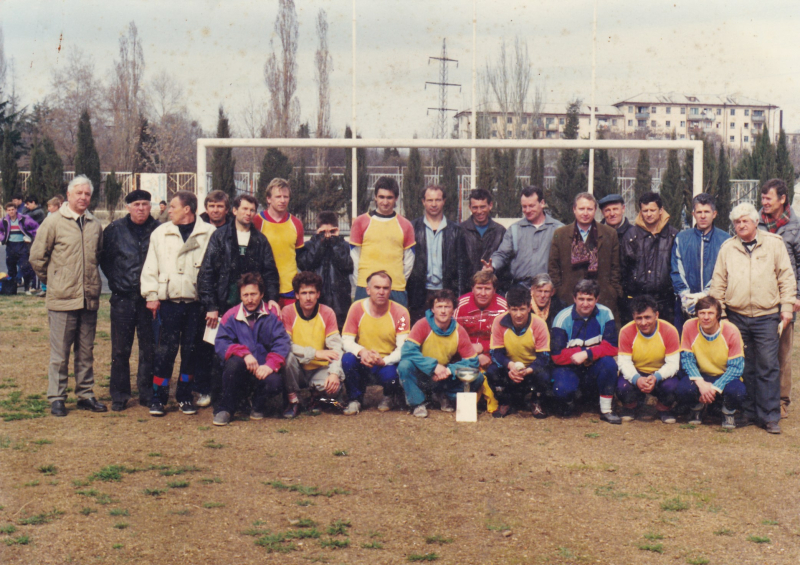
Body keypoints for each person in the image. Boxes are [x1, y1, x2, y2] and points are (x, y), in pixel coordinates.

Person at [710, 203, 796, 434]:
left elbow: (786, 277)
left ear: (756, 221)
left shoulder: (774, 244)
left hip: (766, 315)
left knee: (768, 365)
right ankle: (748, 412)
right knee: (744, 366)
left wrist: (787, 307)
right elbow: (718, 283)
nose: (741, 225)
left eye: (745, 221)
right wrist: (722, 315)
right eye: (737, 222)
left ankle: (769, 416)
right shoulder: (727, 248)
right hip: (736, 316)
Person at [30, 175, 106, 416]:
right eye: (79, 193)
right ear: (69, 195)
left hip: (88, 299)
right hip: (62, 300)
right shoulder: (53, 222)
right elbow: (37, 258)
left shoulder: (95, 224)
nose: (83, 197)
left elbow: (98, 255)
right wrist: (55, 281)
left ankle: (85, 394)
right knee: (60, 354)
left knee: (86, 351)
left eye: (87, 194)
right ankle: (57, 397)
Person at [197, 194, 280, 406]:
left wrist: (272, 298)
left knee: (250, 349)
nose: (248, 213)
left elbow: (270, 272)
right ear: (234, 211)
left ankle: (246, 396)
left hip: (250, 304)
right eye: (244, 209)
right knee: (218, 350)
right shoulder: (219, 237)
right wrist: (211, 305)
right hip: (224, 303)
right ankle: (216, 395)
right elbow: (207, 272)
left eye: (252, 210)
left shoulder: (260, 240)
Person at [140, 190, 216, 417]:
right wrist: (151, 295)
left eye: (173, 207)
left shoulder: (209, 233)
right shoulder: (160, 232)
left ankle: (184, 396)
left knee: (190, 352)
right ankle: (158, 398)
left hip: (195, 304)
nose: (168, 210)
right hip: (169, 303)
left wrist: (211, 303)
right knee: (165, 352)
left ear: (187, 209)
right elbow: (150, 266)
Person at [100, 189, 160, 412]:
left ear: (150, 206)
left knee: (149, 348)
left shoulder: (159, 229)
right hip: (123, 298)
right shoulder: (115, 230)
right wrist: (118, 280)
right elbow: (105, 259)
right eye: (136, 205)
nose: (141, 208)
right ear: (128, 207)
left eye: (145, 204)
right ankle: (120, 394)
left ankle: (147, 391)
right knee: (120, 349)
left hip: (149, 299)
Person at [212, 273, 291, 426]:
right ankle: (226, 409)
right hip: (242, 367)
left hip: (263, 368)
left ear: (261, 294)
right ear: (240, 296)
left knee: (275, 382)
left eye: (253, 294)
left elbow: (282, 342)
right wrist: (244, 354)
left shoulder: (272, 315)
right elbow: (221, 342)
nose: (249, 299)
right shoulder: (231, 315)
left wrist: (270, 365)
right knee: (233, 364)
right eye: (245, 295)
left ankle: (257, 404)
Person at [397, 289, 481, 418]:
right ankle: (418, 403)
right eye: (439, 306)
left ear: (453, 310)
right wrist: (433, 366)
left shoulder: (459, 331)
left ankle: (443, 395)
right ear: (432, 309)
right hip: (423, 373)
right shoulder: (422, 324)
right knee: (404, 366)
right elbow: (408, 351)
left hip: (443, 375)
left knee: (478, 377)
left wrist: (449, 370)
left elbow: (472, 361)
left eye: (447, 307)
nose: (443, 311)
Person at [341, 271, 411, 415]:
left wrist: (384, 361)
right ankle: (355, 399)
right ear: (368, 290)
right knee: (347, 359)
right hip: (363, 359)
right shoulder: (356, 308)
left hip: (386, 361)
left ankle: (389, 395)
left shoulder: (401, 313)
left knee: (393, 375)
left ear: (390, 290)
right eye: (377, 287)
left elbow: (403, 348)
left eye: (385, 288)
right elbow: (346, 340)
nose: (381, 292)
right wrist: (362, 352)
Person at [550, 279, 620, 424]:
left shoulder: (606, 313)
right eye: (581, 299)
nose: (585, 303)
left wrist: (586, 354)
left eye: (590, 299)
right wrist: (582, 352)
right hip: (569, 367)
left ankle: (606, 410)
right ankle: (571, 401)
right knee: (562, 390)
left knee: (609, 364)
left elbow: (612, 347)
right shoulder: (562, 318)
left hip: (593, 365)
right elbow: (557, 356)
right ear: (574, 298)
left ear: (597, 299)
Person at [758, 178, 800, 419]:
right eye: (762, 198)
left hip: (786, 299)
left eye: (768, 198)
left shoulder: (796, 226)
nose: (764, 202)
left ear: (782, 199)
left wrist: (797, 296)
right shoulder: (754, 222)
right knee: (760, 353)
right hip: (760, 298)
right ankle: (759, 398)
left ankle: (781, 401)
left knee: (782, 353)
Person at [675, 296, 747, 430]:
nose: (706, 317)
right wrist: (701, 384)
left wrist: (714, 389)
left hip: (724, 375)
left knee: (737, 391)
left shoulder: (731, 330)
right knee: (684, 389)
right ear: (697, 314)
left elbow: (736, 367)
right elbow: (687, 360)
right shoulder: (689, 326)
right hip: (701, 375)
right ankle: (697, 408)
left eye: (710, 313)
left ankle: (728, 412)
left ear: (718, 315)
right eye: (702, 313)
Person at [548, 192, 622, 320]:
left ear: (595, 210)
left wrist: (613, 291)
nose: (585, 213)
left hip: (603, 297)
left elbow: (615, 268)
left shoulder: (609, 234)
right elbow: (553, 266)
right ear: (574, 209)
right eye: (581, 209)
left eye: (589, 209)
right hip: (569, 297)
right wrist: (560, 290)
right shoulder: (560, 234)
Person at [282, 271, 346, 418]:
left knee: (333, 388)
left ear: (318, 294)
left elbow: (336, 346)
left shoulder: (327, 312)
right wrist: (315, 353)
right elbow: (285, 344)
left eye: (312, 292)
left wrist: (334, 373)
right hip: (297, 368)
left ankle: (316, 396)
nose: (308, 297)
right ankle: (294, 400)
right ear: (297, 295)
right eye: (304, 293)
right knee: (287, 357)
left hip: (319, 368)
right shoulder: (288, 312)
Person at [349, 176, 415, 306]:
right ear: (375, 197)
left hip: (396, 288)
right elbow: (354, 257)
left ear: (396, 198)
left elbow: (409, 259)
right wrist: (362, 283)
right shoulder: (361, 222)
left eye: (389, 197)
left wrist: (398, 280)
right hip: (366, 287)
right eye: (381, 197)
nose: (385, 202)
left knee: (398, 320)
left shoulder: (405, 225)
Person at [616, 295, 682, 424]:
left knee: (672, 386)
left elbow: (673, 364)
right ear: (633, 317)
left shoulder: (669, 330)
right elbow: (624, 362)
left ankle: (664, 408)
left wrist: (656, 377)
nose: (643, 323)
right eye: (639, 318)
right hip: (637, 372)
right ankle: (631, 406)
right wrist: (637, 379)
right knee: (622, 386)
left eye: (647, 317)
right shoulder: (626, 331)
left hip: (660, 373)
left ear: (656, 315)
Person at [489, 285, 552, 418]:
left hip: (531, 368)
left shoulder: (539, 324)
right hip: (510, 367)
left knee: (545, 375)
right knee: (492, 371)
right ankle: (504, 402)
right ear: (508, 308)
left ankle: (536, 401)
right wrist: (511, 366)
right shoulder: (499, 321)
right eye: (514, 309)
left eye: (522, 309)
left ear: (529, 307)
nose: (518, 314)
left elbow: (544, 357)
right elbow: (496, 353)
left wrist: (527, 370)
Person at [407, 185, 469, 322]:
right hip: (419, 294)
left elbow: (461, 267)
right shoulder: (412, 228)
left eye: (438, 200)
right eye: (430, 200)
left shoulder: (456, 230)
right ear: (423, 201)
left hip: (446, 292)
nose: (434, 204)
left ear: (444, 201)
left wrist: (459, 296)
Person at [620, 192, 679, 325]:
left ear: (661, 210)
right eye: (645, 211)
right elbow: (624, 268)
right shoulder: (631, 236)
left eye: (652, 210)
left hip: (665, 301)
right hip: (637, 299)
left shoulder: (673, 235)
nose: (649, 214)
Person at [454, 271, 507, 415]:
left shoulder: (503, 307)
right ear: (472, 288)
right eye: (479, 288)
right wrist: (475, 355)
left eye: (487, 288)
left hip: (492, 355)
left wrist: (484, 349)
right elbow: (454, 336)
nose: (483, 293)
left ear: (494, 290)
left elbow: (506, 338)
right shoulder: (460, 304)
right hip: (466, 355)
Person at [671, 193, 730, 320]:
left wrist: (706, 294)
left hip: (714, 306)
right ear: (693, 214)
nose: (703, 216)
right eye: (699, 212)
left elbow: (724, 272)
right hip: (686, 307)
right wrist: (685, 296)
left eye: (707, 212)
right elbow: (676, 270)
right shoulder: (682, 238)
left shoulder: (725, 240)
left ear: (714, 214)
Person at [489, 186, 563, 288]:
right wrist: (492, 265)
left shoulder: (558, 229)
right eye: (524, 206)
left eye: (531, 206)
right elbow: (502, 254)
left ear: (542, 203)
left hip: (547, 289)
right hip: (520, 287)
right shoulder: (514, 229)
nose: (527, 210)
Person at [252, 178, 305, 307]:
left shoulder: (296, 223)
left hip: (290, 289)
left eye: (285, 197)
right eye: (278, 197)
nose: (282, 200)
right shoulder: (257, 221)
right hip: (264, 289)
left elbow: (300, 257)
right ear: (268, 199)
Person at [298, 211, 353, 328]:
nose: (327, 235)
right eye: (323, 232)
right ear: (317, 230)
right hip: (318, 296)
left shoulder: (343, 245)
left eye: (332, 231)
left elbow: (347, 266)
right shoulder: (310, 245)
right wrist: (320, 241)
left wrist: (335, 243)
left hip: (339, 298)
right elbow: (306, 264)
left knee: (338, 329)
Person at [460, 189, 507, 290]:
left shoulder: (500, 231)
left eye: (482, 207)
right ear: (469, 207)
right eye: (475, 207)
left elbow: (505, 263)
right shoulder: (460, 231)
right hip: (467, 289)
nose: (479, 211)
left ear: (490, 205)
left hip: (492, 289)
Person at [1, 201, 39, 294]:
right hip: (10, 245)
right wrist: (3, 238)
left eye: (13, 209)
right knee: (11, 268)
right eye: (9, 210)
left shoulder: (24, 219)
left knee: (25, 267)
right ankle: (12, 289)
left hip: (22, 245)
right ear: (6, 211)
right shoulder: (4, 221)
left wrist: (31, 237)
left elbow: (36, 227)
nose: (11, 212)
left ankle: (27, 288)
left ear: (16, 210)